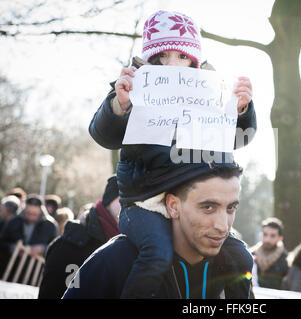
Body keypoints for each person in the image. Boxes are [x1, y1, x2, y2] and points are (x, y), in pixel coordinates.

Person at [88, 10, 257, 299]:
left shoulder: (209, 92)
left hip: (191, 202)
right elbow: (103, 135)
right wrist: (120, 104)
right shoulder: (135, 87)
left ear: (195, 60)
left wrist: (240, 110)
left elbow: (238, 138)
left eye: (181, 57)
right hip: (143, 203)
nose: (171, 65)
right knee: (157, 254)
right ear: (150, 59)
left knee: (240, 258)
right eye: (162, 57)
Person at [63, 165, 253, 299]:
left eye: (231, 208)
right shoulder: (116, 260)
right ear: (173, 205)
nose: (222, 226)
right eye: (208, 207)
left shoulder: (235, 264)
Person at [38, 176, 120, 299]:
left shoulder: (133, 245)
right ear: (110, 200)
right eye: (124, 198)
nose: (131, 206)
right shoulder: (66, 247)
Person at [250, 217, 289, 289]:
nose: (268, 239)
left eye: (273, 236)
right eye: (265, 234)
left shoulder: (286, 260)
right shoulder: (250, 255)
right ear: (261, 235)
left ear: (280, 238)